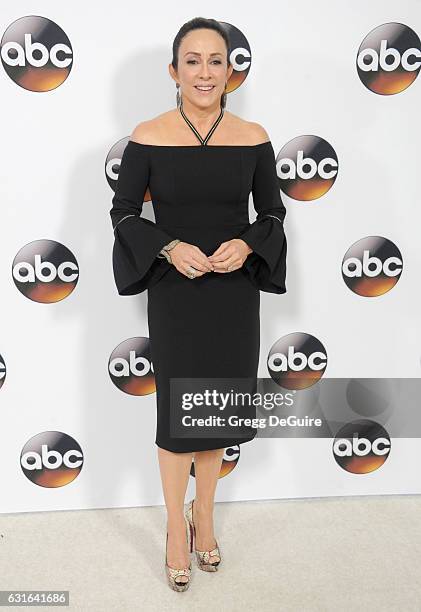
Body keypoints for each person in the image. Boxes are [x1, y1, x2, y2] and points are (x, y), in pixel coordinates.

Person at [109, 17, 287, 592]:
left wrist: (248, 244)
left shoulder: (254, 136)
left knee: (214, 415)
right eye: (193, 60)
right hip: (176, 290)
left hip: (233, 294)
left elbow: (273, 215)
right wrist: (167, 246)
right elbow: (124, 214)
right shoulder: (148, 134)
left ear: (232, 70)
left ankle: (203, 518)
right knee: (177, 419)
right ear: (174, 71)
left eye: (217, 60)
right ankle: (172, 527)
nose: (205, 72)